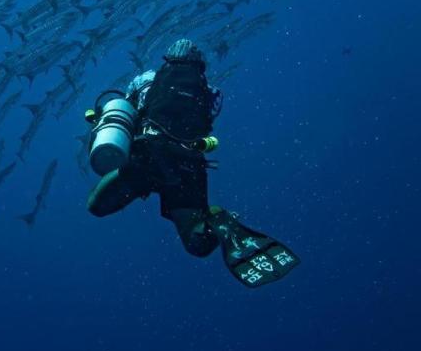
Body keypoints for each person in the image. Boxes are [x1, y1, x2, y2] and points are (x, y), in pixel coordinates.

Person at [85, 39, 299, 288]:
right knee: (195, 242)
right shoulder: (209, 90)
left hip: (147, 158)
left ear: (168, 57)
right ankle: (218, 220)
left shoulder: (145, 81)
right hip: (188, 164)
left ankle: (211, 220)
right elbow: (207, 124)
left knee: (96, 206)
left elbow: (127, 119)